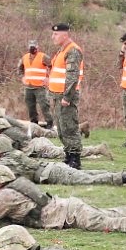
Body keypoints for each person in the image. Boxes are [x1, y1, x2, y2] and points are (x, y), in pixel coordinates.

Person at [0, 165, 126, 237]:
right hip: (68, 207)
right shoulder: (13, 187)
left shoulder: (5, 195)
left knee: (110, 222)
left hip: (69, 214)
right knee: (111, 213)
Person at [0, 136, 126, 188]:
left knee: (90, 179)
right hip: (53, 169)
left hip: (53, 173)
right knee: (90, 175)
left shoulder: (6, 162)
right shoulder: (11, 156)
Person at [0, 117, 114, 161]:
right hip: (39, 143)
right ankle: (93, 148)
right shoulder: (9, 130)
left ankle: (97, 149)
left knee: (65, 151)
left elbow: (7, 150)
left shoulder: (7, 135)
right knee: (60, 143)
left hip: (38, 147)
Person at [47, 23, 86, 167]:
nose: (53, 37)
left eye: (55, 34)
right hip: (57, 95)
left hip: (66, 96)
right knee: (62, 128)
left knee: (69, 127)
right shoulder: (62, 50)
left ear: (65, 35)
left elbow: (72, 76)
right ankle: (68, 155)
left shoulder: (73, 50)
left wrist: (67, 97)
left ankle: (75, 158)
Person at [18, 41, 55, 128]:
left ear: (38, 47)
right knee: (30, 107)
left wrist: (48, 77)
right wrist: (22, 77)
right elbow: (20, 69)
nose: (32, 49)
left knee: (44, 106)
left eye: (34, 47)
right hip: (28, 87)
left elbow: (52, 66)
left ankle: (50, 123)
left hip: (40, 87)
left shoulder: (43, 56)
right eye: (31, 47)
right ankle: (34, 124)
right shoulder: (25, 57)